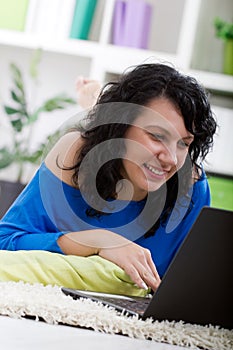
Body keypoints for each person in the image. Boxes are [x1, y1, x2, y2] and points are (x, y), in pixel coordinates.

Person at [0, 63, 216, 292]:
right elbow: (6, 241)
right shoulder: (73, 156)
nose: (171, 159)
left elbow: (193, 287)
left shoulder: (191, 185)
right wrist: (97, 241)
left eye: (184, 143)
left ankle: (95, 98)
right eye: (157, 136)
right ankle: (93, 98)